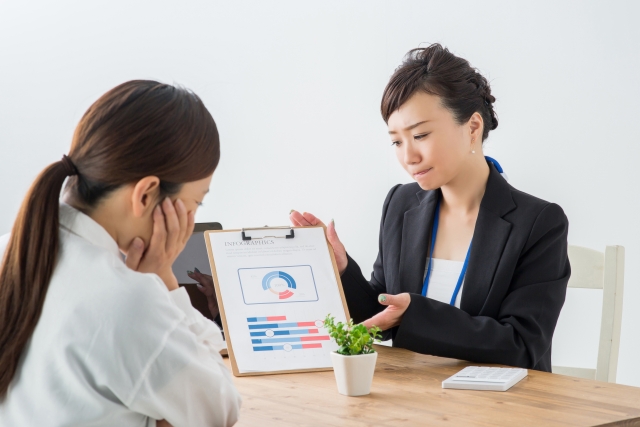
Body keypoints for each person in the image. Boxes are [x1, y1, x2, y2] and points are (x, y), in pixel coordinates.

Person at [290, 44, 570, 371]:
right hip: (414, 399)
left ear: (473, 128)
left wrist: (416, 314)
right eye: (396, 141)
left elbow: (522, 345)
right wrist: (341, 271)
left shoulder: (538, 222)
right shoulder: (401, 204)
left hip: (499, 406)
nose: (408, 156)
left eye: (420, 135)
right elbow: (379, 314)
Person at [0, 81, 241, 426]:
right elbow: (219, 410)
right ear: (146, 195)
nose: (192, 219)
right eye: (195, 202)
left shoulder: (10, 249)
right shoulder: (127, 300)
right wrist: (167, 285)